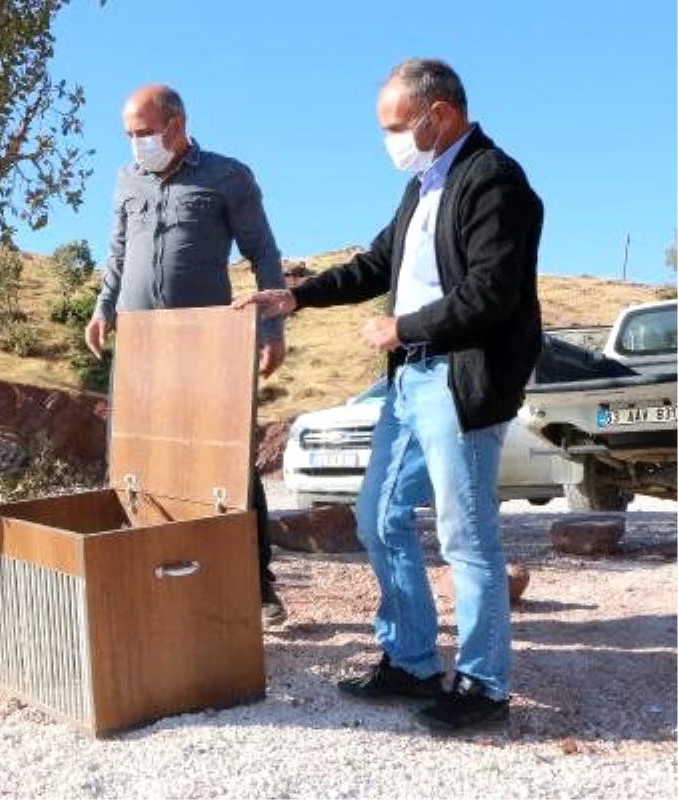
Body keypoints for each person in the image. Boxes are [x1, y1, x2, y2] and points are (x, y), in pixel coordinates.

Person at [234, 58, 543, 732]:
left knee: (467, 538)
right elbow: (378, 264)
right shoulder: (423, 186)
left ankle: (484, 688)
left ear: (440, 113)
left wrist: (402, 327)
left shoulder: (495, 182)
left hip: (459, 382)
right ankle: (409, 661)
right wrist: (299, 295)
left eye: (397, 126)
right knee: (377, 517)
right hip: (407, 384)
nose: (390, 141)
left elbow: (493, 293)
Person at [85, 83, 288, 623]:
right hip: (140, 345)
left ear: (177, 124)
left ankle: (257, 582)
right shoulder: (127, 179)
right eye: (130, 134)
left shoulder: (227, 176)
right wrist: (103, 308)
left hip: (205, 344)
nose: (137, 144)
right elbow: (118, 252)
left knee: (223, 461)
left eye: (145, 132)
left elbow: (263, 252)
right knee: (138, 460)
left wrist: (271, 329)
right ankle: (149, 578)